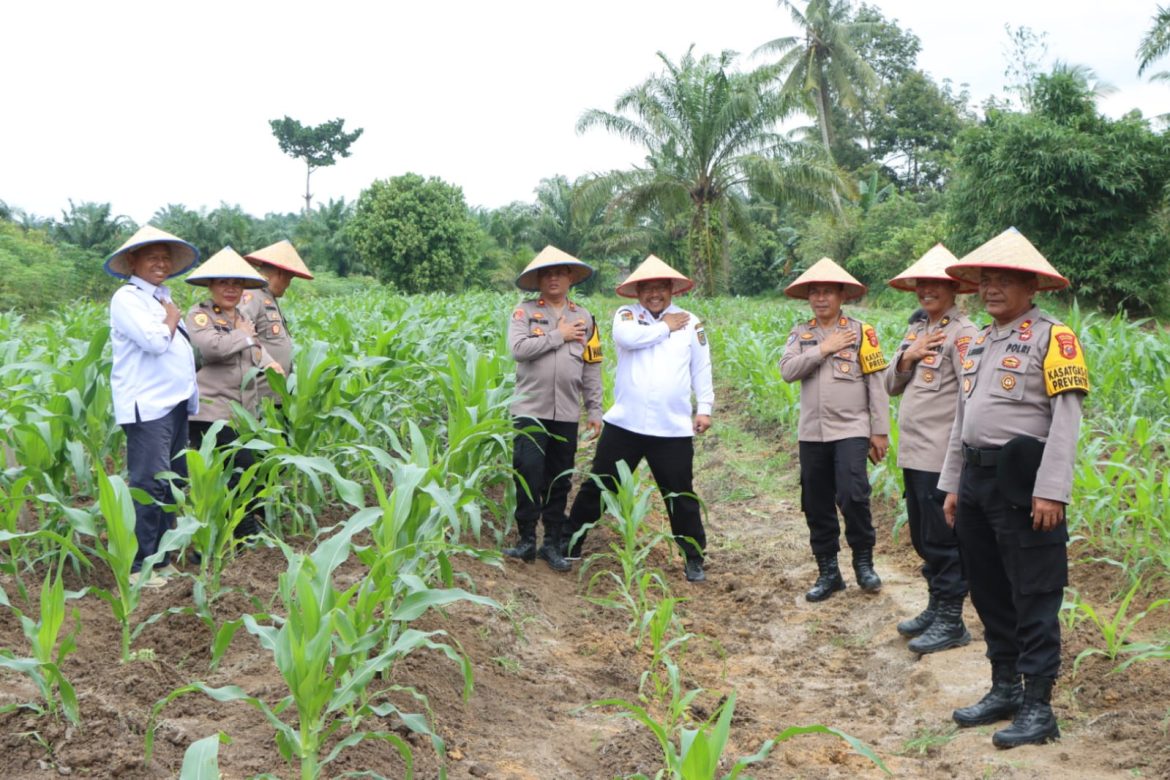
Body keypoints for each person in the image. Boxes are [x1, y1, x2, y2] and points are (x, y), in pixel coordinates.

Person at [939, 228, 1088, 749]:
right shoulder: (980, 339)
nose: (991, 288)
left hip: (1025, 483)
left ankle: (1038, 707)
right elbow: (963, 418)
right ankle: (1003, 687)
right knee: (988, 588)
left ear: (1032, 287)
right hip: (975, 480)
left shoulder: (1055, 337)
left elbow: (1066, 420)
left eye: (1004, 280)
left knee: (1034, 593)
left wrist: (1052, 489)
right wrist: (953, 484)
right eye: (985, 280)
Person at [563, 255, 713, 583]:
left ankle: (693, 556)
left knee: (680, 495)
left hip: (671, 427)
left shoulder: (691, 322)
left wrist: (705, 407)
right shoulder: (627, 315)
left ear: (672, 289)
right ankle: (570, 540)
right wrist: (664, 328)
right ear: (638, 291)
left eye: (662, 287)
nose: (655, 294)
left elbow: (701, 367)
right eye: (648, 288)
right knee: (600, 485)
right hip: (626, 423)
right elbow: (627, 339)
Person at [885, 245, 979, 654]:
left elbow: (970, 397)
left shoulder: (964, 333)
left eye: (936, 283)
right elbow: (891, 384)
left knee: (942, 540)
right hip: (913, 453)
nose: (926, 290)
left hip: (940, 456)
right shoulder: (917, 329)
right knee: (924, 538)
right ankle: (935, 605)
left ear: (953, 287)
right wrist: (909, 355)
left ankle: (951, 620)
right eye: (921, 284)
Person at [780, 258, 890, 602]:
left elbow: (876, 382)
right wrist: (822, 349)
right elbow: (787, 370)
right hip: (811, 433)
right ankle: (829, 572)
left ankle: (863, 562)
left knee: (853, 495)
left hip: (852, 429)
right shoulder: (801, 334)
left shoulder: (862, 332)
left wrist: (880, 430)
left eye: (827, 292)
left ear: (842, 295)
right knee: (815, 502)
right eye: (814, 292)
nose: (820, 298)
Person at [105, 226, 200, 588]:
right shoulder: (127, 298)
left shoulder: (160, 298)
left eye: (165, 257)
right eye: (152, 257)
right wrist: (174, 317)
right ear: (133, 261)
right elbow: (155, 341)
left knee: (171, 482)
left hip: (173, 405)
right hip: (148, 406)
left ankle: (161, 559)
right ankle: (140, 566)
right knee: (149, 484)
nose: (161, 263)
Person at [504, 246, 603, 572]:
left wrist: (594, 409)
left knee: (560, 479)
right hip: (531, 409)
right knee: (528, 473)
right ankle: (527, 540)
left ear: (571, 277)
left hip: (566, 413)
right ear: (538, 280)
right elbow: (518, 350)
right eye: (547, 273)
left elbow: (592, 366)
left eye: (560, 272)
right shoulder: (525, 312)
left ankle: (551, 545)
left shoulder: (585, 317)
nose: (554, 278)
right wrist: (557, 335)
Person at [184, 247, 282, 538]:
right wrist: (244, 335)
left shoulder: (241, 318)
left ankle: (244, 535)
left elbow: (252, 350)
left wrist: (270, 362)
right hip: (213, 413)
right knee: (239, 473)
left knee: (246, 473)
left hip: (241, 414)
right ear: (211, 286)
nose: (231, 289)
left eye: (236, 284)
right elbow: (212, 349)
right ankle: (243, 540)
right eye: (223, 283)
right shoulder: (200, 315)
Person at [238, 240, 313, 399]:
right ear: (281, 274)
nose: (288, 285)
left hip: (277, 393)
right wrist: (267, 362)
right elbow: (242, 334)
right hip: (262, 394)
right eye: (289, 279)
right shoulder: (253, 295)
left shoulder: (269, 298)